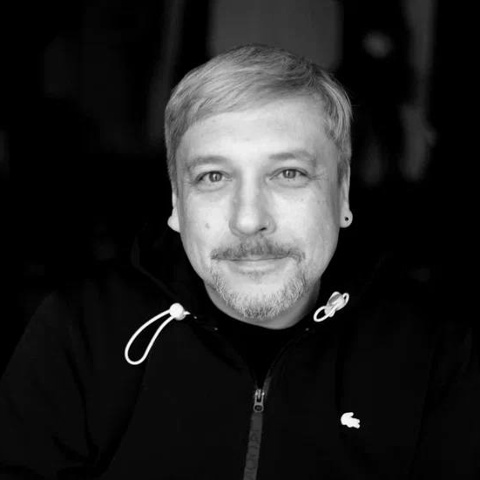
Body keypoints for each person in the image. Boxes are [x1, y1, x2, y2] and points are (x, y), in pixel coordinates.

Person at [1, 44, 479, 480]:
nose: (249, 220)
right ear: (176, 201)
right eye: (213, 176)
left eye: (288, 173)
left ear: (342, 193)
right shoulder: (80, 333)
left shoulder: (435, 355)